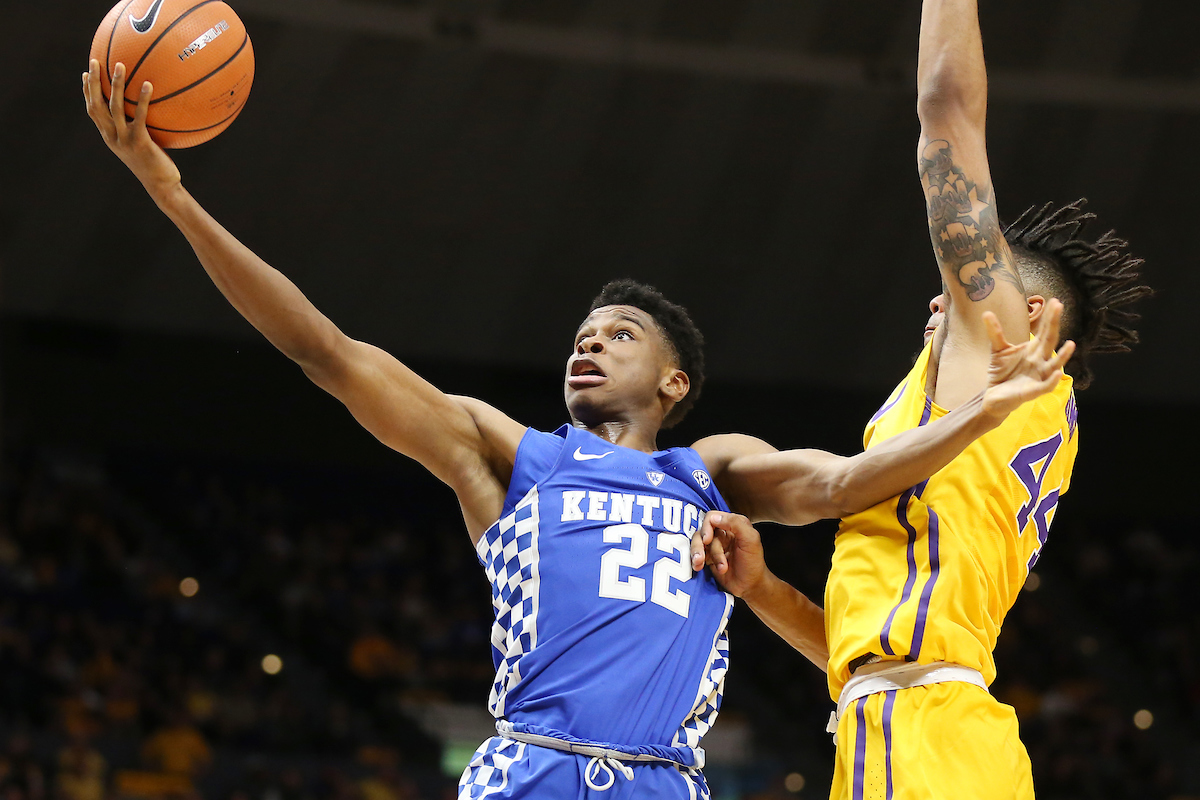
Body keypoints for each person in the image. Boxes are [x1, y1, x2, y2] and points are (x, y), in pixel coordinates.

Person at [84, 58, 1073, 800]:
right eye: (582, 336)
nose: (589, 343)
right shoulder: (507, 456)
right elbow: (326, 352)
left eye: (619, 333)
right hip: (533, 769)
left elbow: (847, 484)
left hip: (666, 780)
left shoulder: (713, 470)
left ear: (675, 381)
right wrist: (173, 197)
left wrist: (977, 415)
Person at [691, 1, 1153, 798]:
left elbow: (947, 111)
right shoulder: (1012, 423)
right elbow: (867, 652)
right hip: (953, 731)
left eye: (961, 288)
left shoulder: (997, 351)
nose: (942, 298)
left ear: (1026, 313)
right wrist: (763, 591)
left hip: (921, 735)